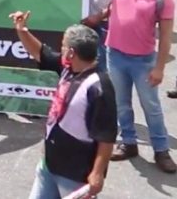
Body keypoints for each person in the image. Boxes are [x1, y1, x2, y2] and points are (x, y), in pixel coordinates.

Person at [82, 0, 177, 173]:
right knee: (121, 103)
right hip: (116, 54)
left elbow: (166, 37)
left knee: (152, 107)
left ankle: (161, 150)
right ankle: (129, 142)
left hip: (143, 60)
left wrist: (159, 68)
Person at [9, 12, 116, 199]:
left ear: (72, 53)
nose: (62, 50)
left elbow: (106, 136)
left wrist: (97, 173)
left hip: (75, 175)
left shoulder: (100, 88)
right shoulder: (69, 67)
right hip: (49, 166)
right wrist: (22, 30)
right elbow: (42, 53)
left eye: (64, 46)